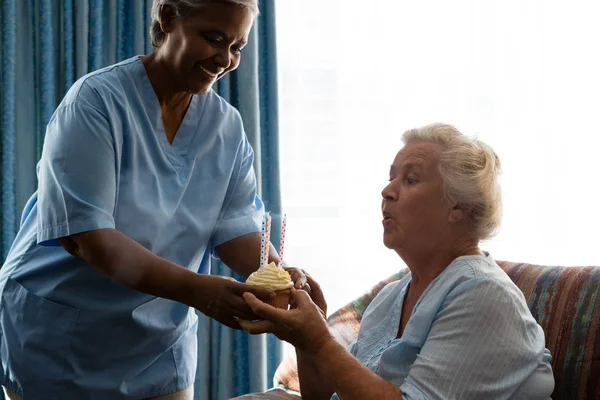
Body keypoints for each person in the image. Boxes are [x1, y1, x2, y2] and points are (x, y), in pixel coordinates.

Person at [0, 0, 307, 399]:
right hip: (63, 333)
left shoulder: (225, 127)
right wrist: (201, 291)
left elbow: (236, 229)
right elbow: (87, 239)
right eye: (213, 39)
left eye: (237, 47)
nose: (225, 59)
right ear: (167, 19)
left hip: (158, 342)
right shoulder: (95, 102)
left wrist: (280, 275)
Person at [240, 123, 555, 399]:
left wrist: (321, 341)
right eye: (392, 178)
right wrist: (307, 338)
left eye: (411, 180)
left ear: (459, 207)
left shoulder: (485, 295)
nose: (387, 191)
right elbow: (323, 394)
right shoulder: (391, 297)